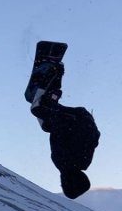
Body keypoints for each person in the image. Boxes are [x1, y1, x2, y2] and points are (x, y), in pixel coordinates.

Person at [27, 60, 100, 200]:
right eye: (63, 185)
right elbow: (60, 136)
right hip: (73, 120)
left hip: (82, 119)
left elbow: (93, 139)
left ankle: (52, 92)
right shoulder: (64, 162)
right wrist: (56, 119)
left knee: (46, 123)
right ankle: (52, 72)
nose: (61, 184)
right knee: (38, 108)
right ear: (69, 182)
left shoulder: (83, 163)